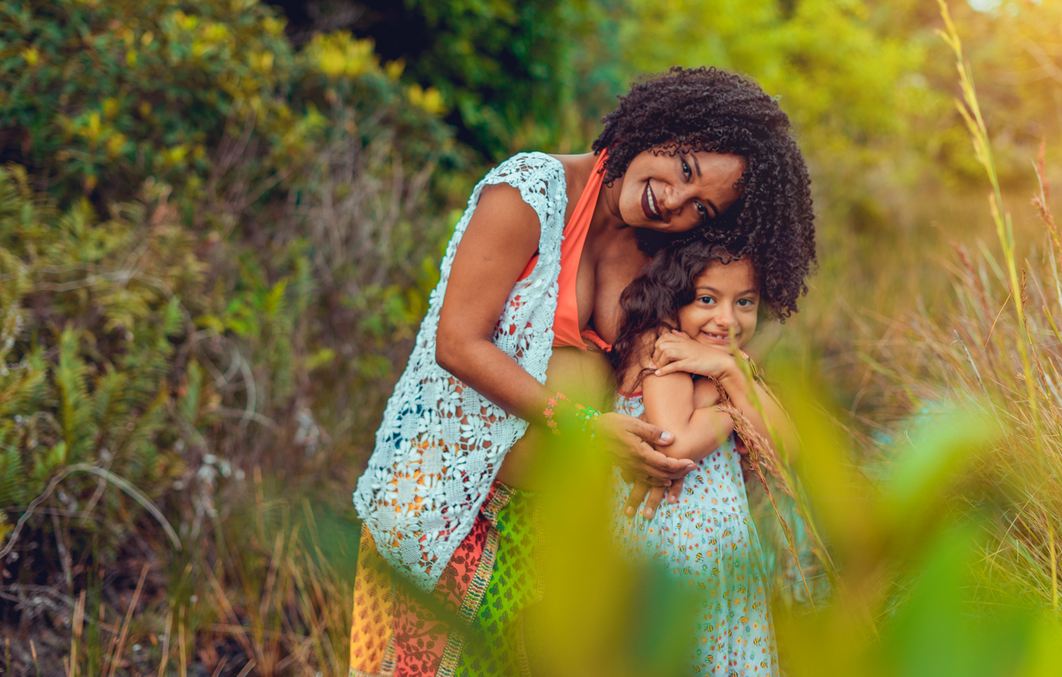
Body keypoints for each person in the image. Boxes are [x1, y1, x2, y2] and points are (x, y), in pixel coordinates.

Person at [348, 67, 816, 677]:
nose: (673, 199)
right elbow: (458, 343)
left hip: (562, 531)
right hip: (450, 507)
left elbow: (726, 408)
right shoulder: (531, 193)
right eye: (685, 169)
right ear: (665, 127)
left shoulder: (665, 256)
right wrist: (582, 426)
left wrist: (727, 381)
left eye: (700, 205)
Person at [608, 234, 809, 677]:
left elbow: (787, 449)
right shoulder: (662, 343)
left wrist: (729, 371)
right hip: (666, 552)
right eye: (706, 298)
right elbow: (672, 444)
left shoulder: (722, 361)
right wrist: (731, 409)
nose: (726, 319)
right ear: (673, 297)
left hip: (719, 560)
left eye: (745, 302)